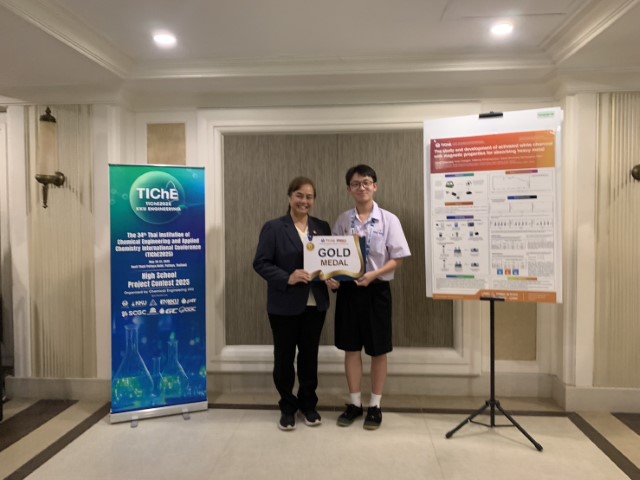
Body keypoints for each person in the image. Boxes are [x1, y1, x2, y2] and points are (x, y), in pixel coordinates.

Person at [327, 164, 411, 430]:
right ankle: (354, 403)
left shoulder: (389, 220)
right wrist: (331, 277)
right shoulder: (343, 220)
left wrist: (374, 275)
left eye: (366, 182)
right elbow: (332, 256)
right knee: (351, 348)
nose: (361, 187)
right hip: (349, 291)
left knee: (378, 349)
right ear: (348, 189)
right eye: (355, 184)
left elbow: (398, 258)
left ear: (375, 186)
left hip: (377, 291)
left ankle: (375, 405)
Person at [253, 176, 331, 431]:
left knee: (309, 358)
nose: (304, 201)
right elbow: (261, 263)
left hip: (315, 305)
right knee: (284, 358)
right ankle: (287, 406)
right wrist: (288, 277)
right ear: (290, 197)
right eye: (299, 195)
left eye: (309, 197)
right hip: (284, 304)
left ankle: (308, 405)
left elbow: (329, 262)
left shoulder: (322, 227)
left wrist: (334, 278)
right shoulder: (274, 228)